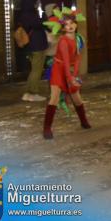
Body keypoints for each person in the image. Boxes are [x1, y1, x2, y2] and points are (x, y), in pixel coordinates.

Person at [42, 8, 90, 139]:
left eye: (72, 23)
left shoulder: (79, 38)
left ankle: (84, 121)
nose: (70, 26)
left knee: (77, 98)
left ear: (76, 23)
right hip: (59, 69)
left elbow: (77, 58)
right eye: (66, 24)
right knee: (54, 98)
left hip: (70, 70)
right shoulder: (63, 41)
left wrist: (74, 75)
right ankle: (47, 128)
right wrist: (70, 78)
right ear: (62, 28)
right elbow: (66, 61)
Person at [19, 0, 48, 102]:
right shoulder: (31, 15)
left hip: (30, 46)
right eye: (34, 3)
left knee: (33, 70)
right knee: (37, 70)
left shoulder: (23, 14)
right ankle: (33, 93)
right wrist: (43, 15)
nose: (36, 5)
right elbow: (42, 23)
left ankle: (28, 93)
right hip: (37, 45)